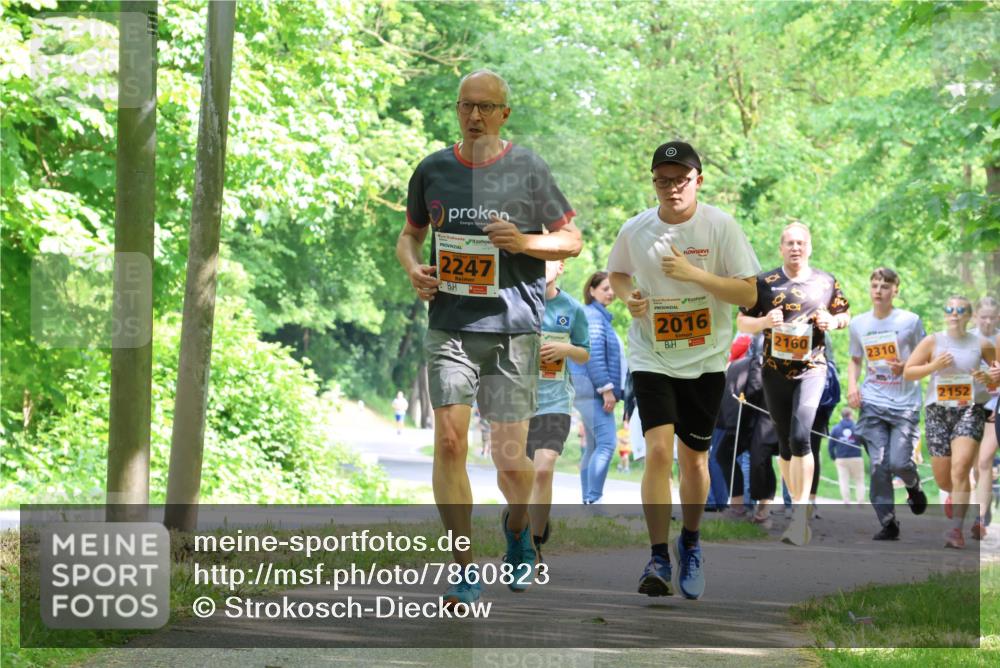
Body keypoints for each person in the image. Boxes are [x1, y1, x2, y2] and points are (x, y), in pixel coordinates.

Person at [395, 69, 582, 606]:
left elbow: (571, 240)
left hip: (512, 332)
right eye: (465, 106)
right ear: (456, 110)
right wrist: (414, 269)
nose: (474, 116)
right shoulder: (432, 169)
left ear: (504, 113)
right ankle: (462, 567)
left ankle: (519, 530)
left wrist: (524, 241)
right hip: (451, 326)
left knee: (508, 463)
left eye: (485, 107)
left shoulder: (527, 168)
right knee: (449, 442)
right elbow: (410, 236)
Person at [607, 140, 760, 599]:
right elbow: (617, 272)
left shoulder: (720, 227)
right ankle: (657, 556)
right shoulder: (636, 229)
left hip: (707, 359)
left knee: (693, 460)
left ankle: (690, 541)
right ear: (652, 181)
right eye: (662, 180)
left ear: (699, 181)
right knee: (657, 452)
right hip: (651, 355)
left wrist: (695, 275)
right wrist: (628, 296)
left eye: (681, 180)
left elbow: (749, 296)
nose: (671, 188)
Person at [737, 221, 850, 547]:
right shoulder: (764, 282)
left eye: (801, 242)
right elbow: (742, 321)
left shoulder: (825, 282)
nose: (795, 247)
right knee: (786, 445)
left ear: (809, 247)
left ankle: (800, 517)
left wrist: (833, 321)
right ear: (781, 248)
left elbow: (845, 315)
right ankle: (798, 515)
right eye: (789, 243)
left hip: (812, 368)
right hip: (774, 371)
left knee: (802, 437)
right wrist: (763, 321)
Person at [904, 295, 995, 549]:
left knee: (961, 467)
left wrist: (988, 377)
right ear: (944, 314)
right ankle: (956, 495)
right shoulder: (932, 341)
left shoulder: (982, 344)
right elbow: (908, 371)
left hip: (970, 410)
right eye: (949, 309)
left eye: (961, 310)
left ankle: (956, 530)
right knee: (945, 479)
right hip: (937, 412)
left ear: (970, 316)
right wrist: (933, 365)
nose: (954, 314)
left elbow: (996, 378)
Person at [846, 267, 928, 539]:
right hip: (873, 402)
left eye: (884, 286)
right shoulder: (859, 323)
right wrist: (853, 387)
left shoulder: (910, 322)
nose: (879, 290)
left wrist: (905, 366)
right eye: (874, 285)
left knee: (899, 462)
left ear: (895, 290)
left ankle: (913, 486)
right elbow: (855, 359)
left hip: (904, 404)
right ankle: (888, 522)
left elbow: (926, 358)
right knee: (879, 463)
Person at [528, 260, 590, 561]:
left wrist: (566, 350)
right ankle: (519, 523)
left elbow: (584, 352)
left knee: (543, 469)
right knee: (520, 478)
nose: (541, 267)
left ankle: (533, 545)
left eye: (547, 262)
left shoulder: (573, 309)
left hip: (555, 402)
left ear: (561, 267)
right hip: (518, 402)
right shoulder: (518, 302)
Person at [569, 271, 624, 504]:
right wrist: (606, 388)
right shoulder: (592, 315)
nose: (611, 293)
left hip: (586, 389)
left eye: (613, 289)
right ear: (591, 291)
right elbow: (592, 355)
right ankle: (594, 498)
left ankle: (588, 500)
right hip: (593, 390)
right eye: (605, 288)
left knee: (592, 447)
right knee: (607, 443)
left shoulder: (597, 316)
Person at [971, 297, 999, 539]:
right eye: (984, 317)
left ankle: (979, 518)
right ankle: (984, 504)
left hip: (995, 406)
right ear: (975, 317)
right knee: (974, 465)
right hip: (971, 406)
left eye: (992, 317)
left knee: (984, 460)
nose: (988, 321)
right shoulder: (966, 339)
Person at [829, 407, 865, 504]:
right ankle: (860, 501)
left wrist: (833, 457)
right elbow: (864, 441)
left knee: (843, 480)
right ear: (850, 415)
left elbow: (830, 446)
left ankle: (846, 500)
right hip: (856, 457)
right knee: (859, 480)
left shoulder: (835, 428)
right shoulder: (857, 427)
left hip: (841, 459)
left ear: (842, 416)